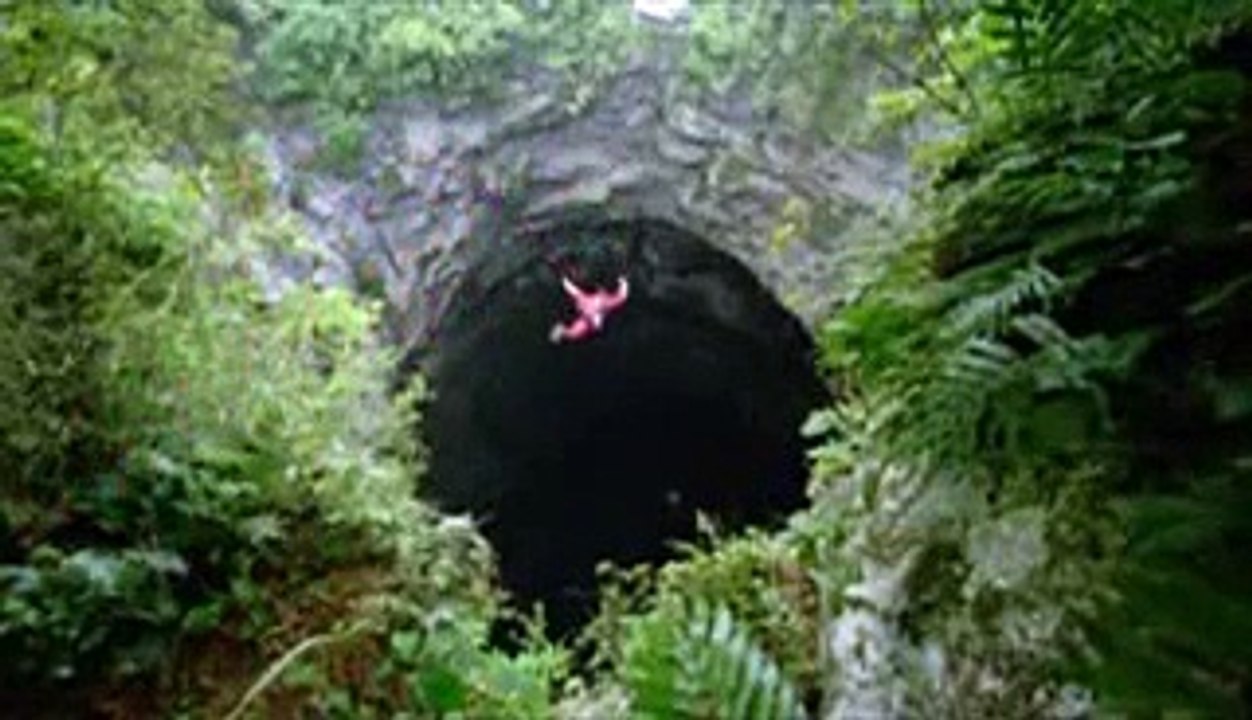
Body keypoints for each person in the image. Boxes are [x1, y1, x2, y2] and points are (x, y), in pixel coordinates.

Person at [549, 274, 630, 343]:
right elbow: (573, 291)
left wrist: (623, 282)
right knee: (579, 329)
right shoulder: (587, 302)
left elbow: (573, 291)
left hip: (593, 313)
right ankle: (561, 331)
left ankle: (561, 331)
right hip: (592, 314)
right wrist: (624, 282)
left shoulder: (587, 302)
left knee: (581, 327)